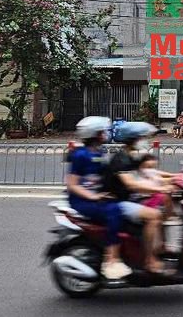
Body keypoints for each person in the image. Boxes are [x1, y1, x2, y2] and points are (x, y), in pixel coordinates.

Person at [64, 116, 130, 280]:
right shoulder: (80, 155)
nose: (106, 134)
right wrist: (94, 197)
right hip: (81, 201)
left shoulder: (99, 152)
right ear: (95, 134)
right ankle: (111, 260)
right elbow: (72, 184)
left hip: (95, 196)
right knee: (114, 211)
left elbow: (105, 175)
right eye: (103, 132)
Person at [103, 122, 173, 274]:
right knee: (154, 216)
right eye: (142, 138)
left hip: (130, 199)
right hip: (118, 203)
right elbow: (132, 184)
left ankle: (161, 247)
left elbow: (149, 172)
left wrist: (174, 178)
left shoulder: (131, 156)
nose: (145, 141)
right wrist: (160, 188)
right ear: (133, 139)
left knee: (163, 204)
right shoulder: (121, 159)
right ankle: (149, 260)